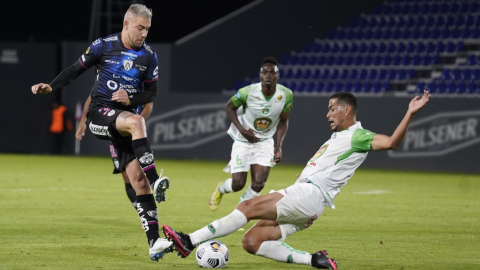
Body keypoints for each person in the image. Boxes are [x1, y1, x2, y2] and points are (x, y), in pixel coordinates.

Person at [163, 91, 431, 269]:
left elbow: (392, 143)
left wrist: (410, 113)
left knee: (247, 207)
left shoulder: (358, 136)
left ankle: (188, 241)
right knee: (251, 242)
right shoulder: (339, 138)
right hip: (308, 200)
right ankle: (314, 260)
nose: (327, 114)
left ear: (346, 109)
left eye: (332, 109)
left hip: (308, 197)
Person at [31, 4, 174, 261]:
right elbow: (75, 70)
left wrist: (130, 97)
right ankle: (157, 181)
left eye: (148, 29)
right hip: (101, 115)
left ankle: (154, 243)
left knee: (136, 180)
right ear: (127, 24)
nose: (144, 33)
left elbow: (151, 95)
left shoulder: (149, 56)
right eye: (140, 27)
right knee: (137, 124)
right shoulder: (103, 46)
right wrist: (51, 88)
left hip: (125, 122)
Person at [209, 57, 293, 211]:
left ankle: (240, 213)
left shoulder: (286, 95)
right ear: (260, 75)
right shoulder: (247, 92)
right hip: (243, 140)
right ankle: (221, 189)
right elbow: (229, 108)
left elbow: (283, 121)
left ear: (277, 76)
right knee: (238, 184)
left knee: (259, 182)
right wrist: (241, 130)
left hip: (265, 140)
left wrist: (279, 145)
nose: (268, 75)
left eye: (272, 72)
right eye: (264, 72)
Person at [76, 94, 153, 213]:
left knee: (139, 176)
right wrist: (83, 121)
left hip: (135, 134)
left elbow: (149, 106)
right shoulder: (108, 78)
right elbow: (91, 98)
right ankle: (142, 212)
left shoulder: (140, 80)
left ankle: (147, 213)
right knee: (126, 175)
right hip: (117, 133)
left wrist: (134, 126)